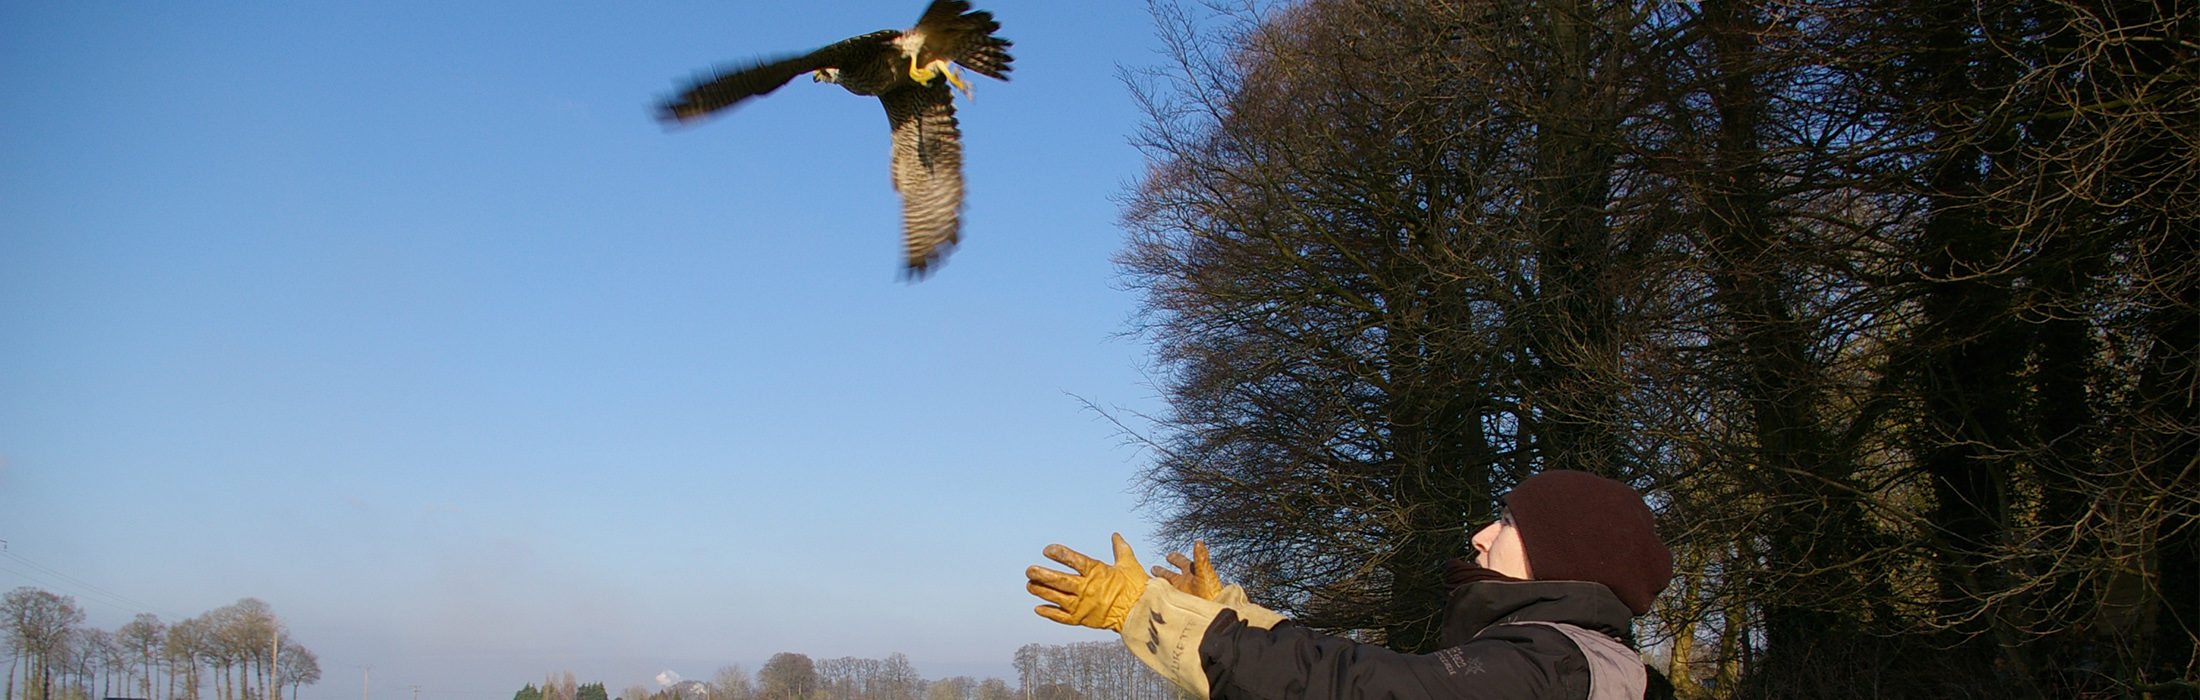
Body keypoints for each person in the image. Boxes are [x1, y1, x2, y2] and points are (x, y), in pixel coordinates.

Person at [1024, 469, 1674, 699]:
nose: (1480, 535)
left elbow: (1361, 689)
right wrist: (1227, 615)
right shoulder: (1579, 665)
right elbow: (1370, 673)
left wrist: (1150, 610)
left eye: (1505, 520)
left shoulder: (1555, 668)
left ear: (1563, 550)